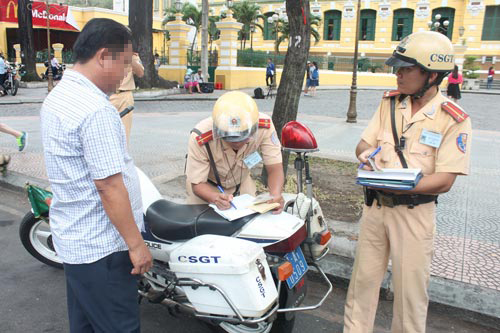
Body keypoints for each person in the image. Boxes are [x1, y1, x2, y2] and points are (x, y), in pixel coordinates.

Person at [344, 31, 471, 333]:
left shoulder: (452, 118)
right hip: (375, 210)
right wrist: (366, 156)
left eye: (406, 68)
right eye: (398, 67)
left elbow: (444, 180)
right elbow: (362, 145)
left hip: (414, 214)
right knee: (362, 284)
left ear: (430, 74)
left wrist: (400, 186)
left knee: (410, 295)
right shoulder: (389, 104)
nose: (397, 74)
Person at [40, 18, 152, 333]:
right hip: (103, 248)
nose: (126, 74)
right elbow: (109, 186)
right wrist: (136, 245)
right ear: (104, 56)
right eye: (125, 64)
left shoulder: (58, 96)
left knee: (87, 326)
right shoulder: (96, 110)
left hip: (76, 244)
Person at [185, 91, 284, 212]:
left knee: (251, 220)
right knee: (201, 224)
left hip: (241, 182)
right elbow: (197, 184)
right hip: (207, 187)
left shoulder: (265, 127)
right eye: (228, 137)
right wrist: (215, 197)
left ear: (254, 128)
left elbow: (274, 168)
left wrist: (275, 195)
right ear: (217, 129)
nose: (237, 142)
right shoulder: (200, 136)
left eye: (243, 136)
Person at [110, 51, 144, 143]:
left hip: (125, 96)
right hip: (107, 96)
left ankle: (122, 156)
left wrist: (130, 58)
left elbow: (141, 73)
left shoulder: (132, 55)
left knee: (124, 134)